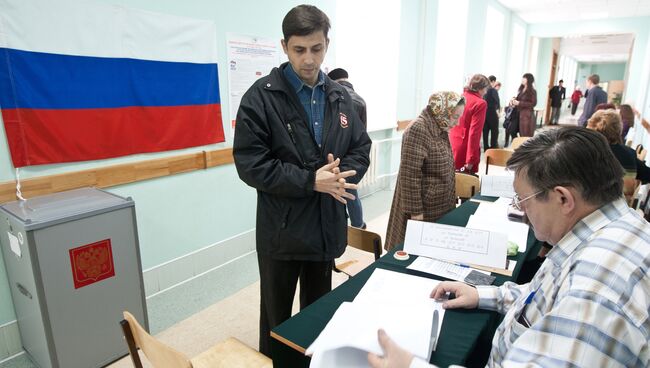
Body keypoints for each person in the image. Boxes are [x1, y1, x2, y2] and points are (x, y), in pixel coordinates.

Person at [369, 126, 650, 368]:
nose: (521, 212)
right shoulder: (611, 231)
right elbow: (548, 293)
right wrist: (483, 295)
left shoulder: (597, 289)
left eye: (523, 200)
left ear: (563, 199)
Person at [232, 5, 371, 356]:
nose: (309, 60)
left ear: (327, 45)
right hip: (282, 232)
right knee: (277, 321)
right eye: (299, 50)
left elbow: (360, 146)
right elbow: (251, 164)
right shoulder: (260, 97)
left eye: (316, 49)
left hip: (325, 227)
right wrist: (310, 180)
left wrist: (341, 175)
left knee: (318, 314)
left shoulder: (340, 96)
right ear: (284, 46)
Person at [384, 92, 465, 250]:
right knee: (413, 253)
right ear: (442, 111)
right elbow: (409, 176)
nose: (457, 122)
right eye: (455, 116)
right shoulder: (418, 129)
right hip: (421, 212)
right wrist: (416, 213)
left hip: (438, 207)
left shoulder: (439, 126)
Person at [328, 67, 367, 229]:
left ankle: (337, 227)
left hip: (333, 156)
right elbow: (362, 133)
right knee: (351, 191)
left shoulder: (334, 98)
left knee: (332, 192)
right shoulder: (360, 100)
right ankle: (358, 225)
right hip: (353, 156)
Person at [586, 109, 650, 185]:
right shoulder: (629, 153)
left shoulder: (586, 153)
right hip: (620, 195)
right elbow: (647, 176)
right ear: (619, 129)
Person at [450, 74, 489, 174]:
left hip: (453, 144)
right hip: (466, 148)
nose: (486, 92)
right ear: (480, 88)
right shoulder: (480, 103)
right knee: (465, 184)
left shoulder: (459, 97)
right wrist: (471, 159)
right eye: (485, 88)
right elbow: (474, 133)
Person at [482, 76, 501, 150]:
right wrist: (498, 112)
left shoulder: (484, 90)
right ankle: (493, 147)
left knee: (485, 131)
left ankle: (486, 148)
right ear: (493, 82)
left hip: (484, 113)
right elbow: (497, 102)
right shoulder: (493, 90)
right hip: (492, 113)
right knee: (494, 131)